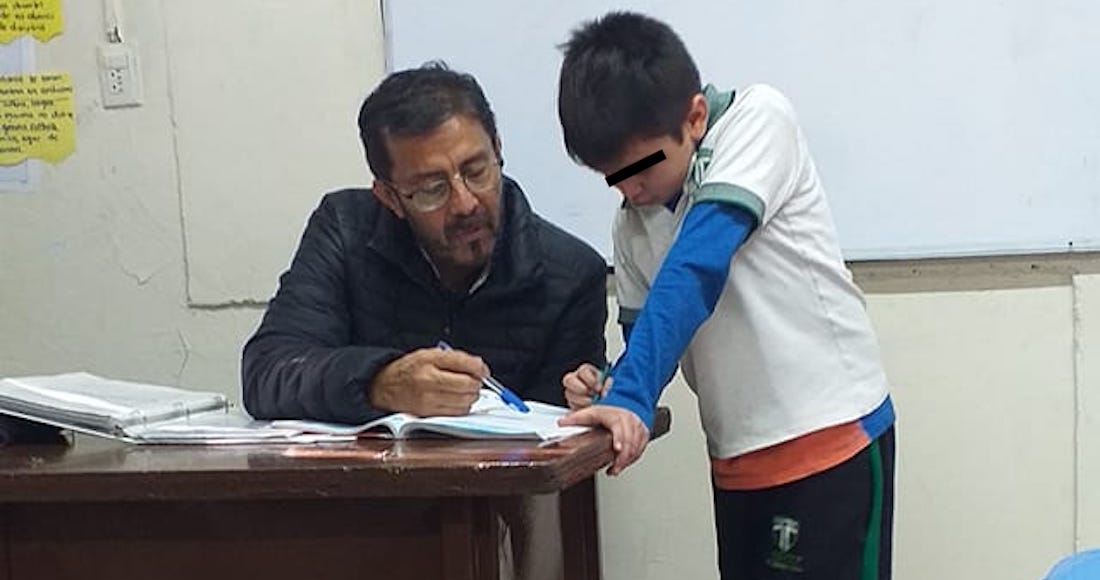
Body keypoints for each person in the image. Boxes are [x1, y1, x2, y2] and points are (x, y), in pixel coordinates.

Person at [555, 12, 896, 580]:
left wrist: (633, 392)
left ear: (693, 118)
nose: (629, 188)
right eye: (611, 176)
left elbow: (697, 265)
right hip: (738, 462)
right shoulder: (632, 223)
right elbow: (651, 339)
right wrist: (611, 388)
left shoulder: (757, 120)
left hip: (831, 442)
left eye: (640, 167)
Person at [241, 63, 608, 580]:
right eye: (432, 189)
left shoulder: (570, 274)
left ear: (498, 149)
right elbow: (267, 371)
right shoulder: (344, 231)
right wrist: (380, 382)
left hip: (494, 543)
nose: (465, 202)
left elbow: (555, 467)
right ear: (389, 196)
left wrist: (589, 400)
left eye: (477, 170)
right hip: (352, 529)